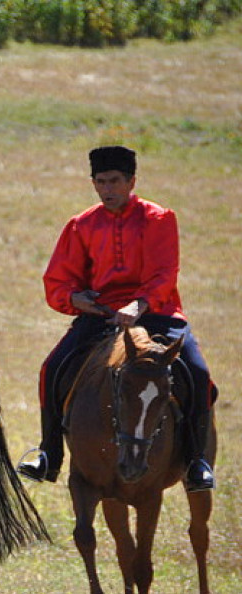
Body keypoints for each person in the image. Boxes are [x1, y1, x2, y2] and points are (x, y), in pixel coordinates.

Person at [17, 145, 216, 491]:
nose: (107, 189)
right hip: (102, 316)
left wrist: (138, 306)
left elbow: (164, 275)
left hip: (157, 313)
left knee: (197, 372)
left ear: (131, 181)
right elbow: (58, 281)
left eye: (114, 182)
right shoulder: (80, 225)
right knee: (51, 368)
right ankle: (49, 454)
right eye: (100, 182)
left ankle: (197, 460)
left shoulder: (159, 219)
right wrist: (75, 299)